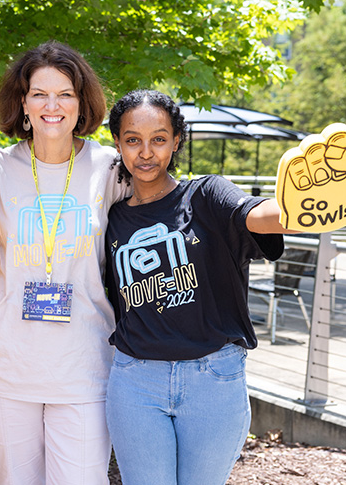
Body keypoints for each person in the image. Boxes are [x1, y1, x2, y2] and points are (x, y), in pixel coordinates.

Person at [103, 89, 296, 485]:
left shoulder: (206, 195)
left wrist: (310, 205)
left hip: (213, 380)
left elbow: (259, 215)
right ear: (118, 143)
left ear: (176, 141)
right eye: (132, 140)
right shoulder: (113, 217)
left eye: (158, 139)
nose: (145, 152)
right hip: (135, 381)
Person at [0, 41, 128, 485]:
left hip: (86, 364)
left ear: (82, 104)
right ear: (23, 103)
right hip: (3, 363)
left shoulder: (110, 168)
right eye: (39, 93)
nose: (51, 105)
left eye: (65, 94)